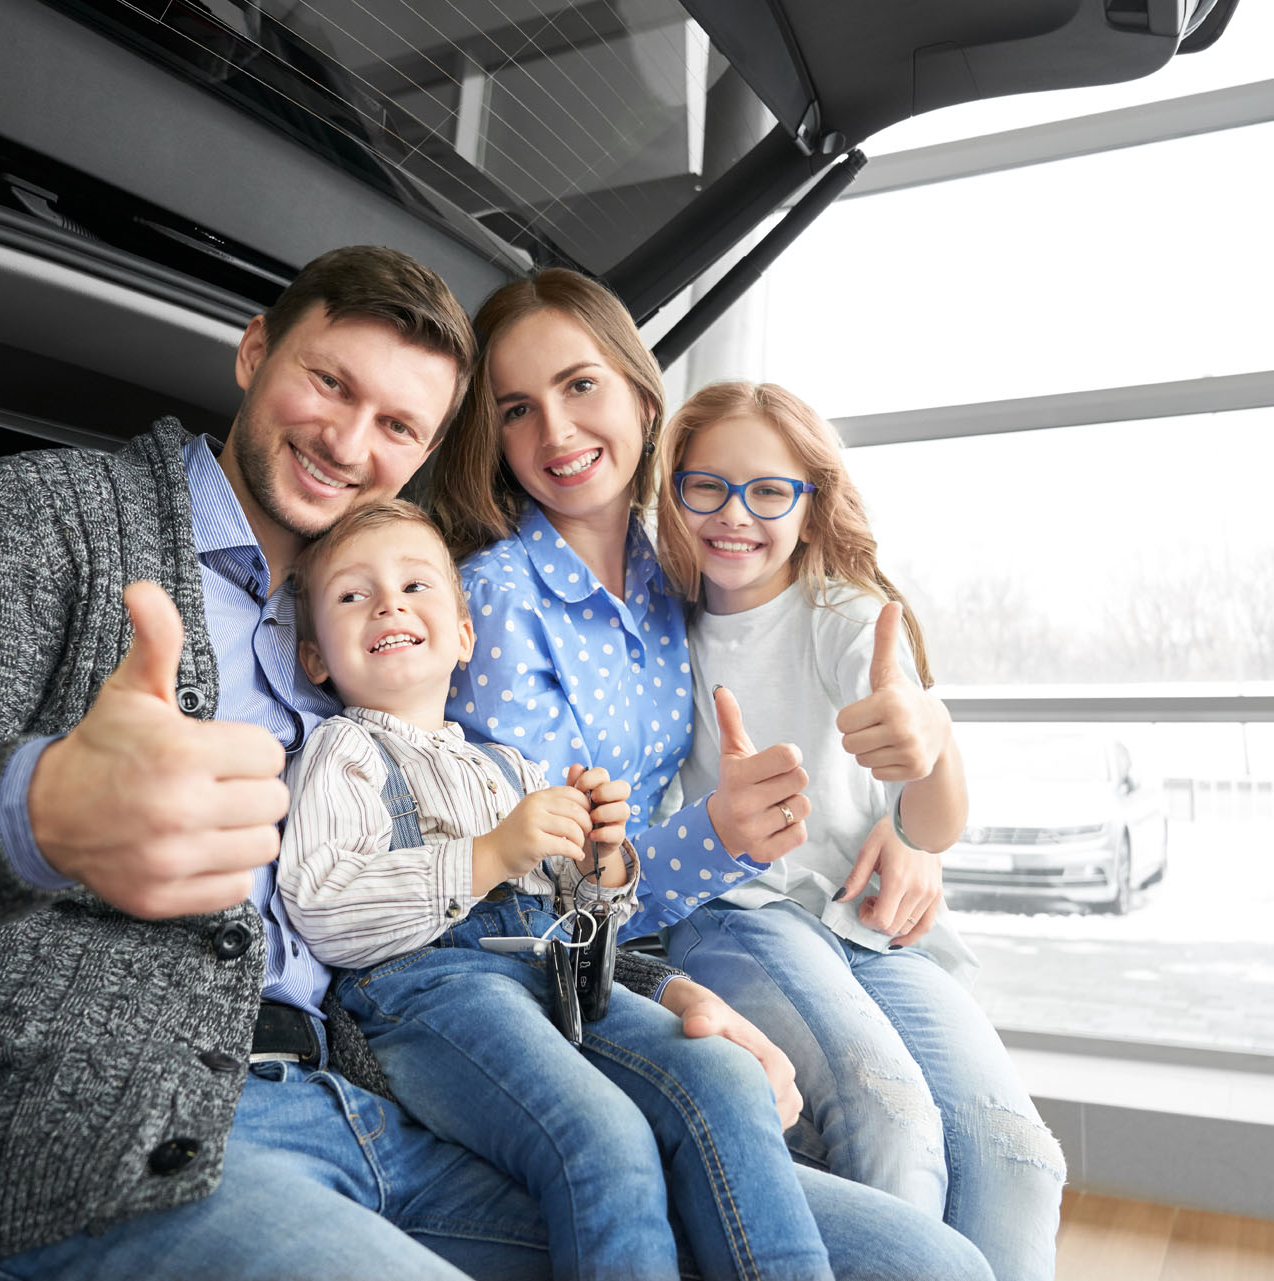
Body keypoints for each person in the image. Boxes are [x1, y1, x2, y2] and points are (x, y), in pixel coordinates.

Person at [0, 245, 995, 1280]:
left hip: (382, 1099)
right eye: (330, 384)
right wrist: (36, 811)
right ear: (255, 352)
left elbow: (468, 898)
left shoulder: (388, 638)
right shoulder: (53, 520)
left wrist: (648, 984)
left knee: (927, 1264)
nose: (351, 444)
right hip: (108, 1131)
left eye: (399, 426)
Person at [278, 500, 834, 1281]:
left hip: (555, 974)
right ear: (314, 659)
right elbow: (323, 904)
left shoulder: (510, 767)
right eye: (352, 595)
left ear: (464, 635)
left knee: (723, 1079)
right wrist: (493, 850)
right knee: (602, 1137)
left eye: (414, 584)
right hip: (425, 991)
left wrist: (604, 860)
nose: (389, 604)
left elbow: (582, 916)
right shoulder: (342, 751)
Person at [656, 381, 1067, 1281]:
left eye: (769, 491)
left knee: (1022, 1156)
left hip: (869, 922)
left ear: (809, 507)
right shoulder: (659, 621)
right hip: (742, 909)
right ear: (673, 493)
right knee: (890, 1118)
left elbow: (933, 816)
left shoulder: (846, 616)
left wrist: (932, 747)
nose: (735, 515)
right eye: (707, 487)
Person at [433, 269, 810, 941]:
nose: (556, 432)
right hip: (558, 940)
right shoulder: (496, 599)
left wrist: (903, 824)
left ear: (640, 396)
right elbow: (557, 880)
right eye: (516, 409)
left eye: (580, 384)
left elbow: (812, 614)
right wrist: (718, 835)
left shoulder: (671, 567)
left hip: (684, 909)